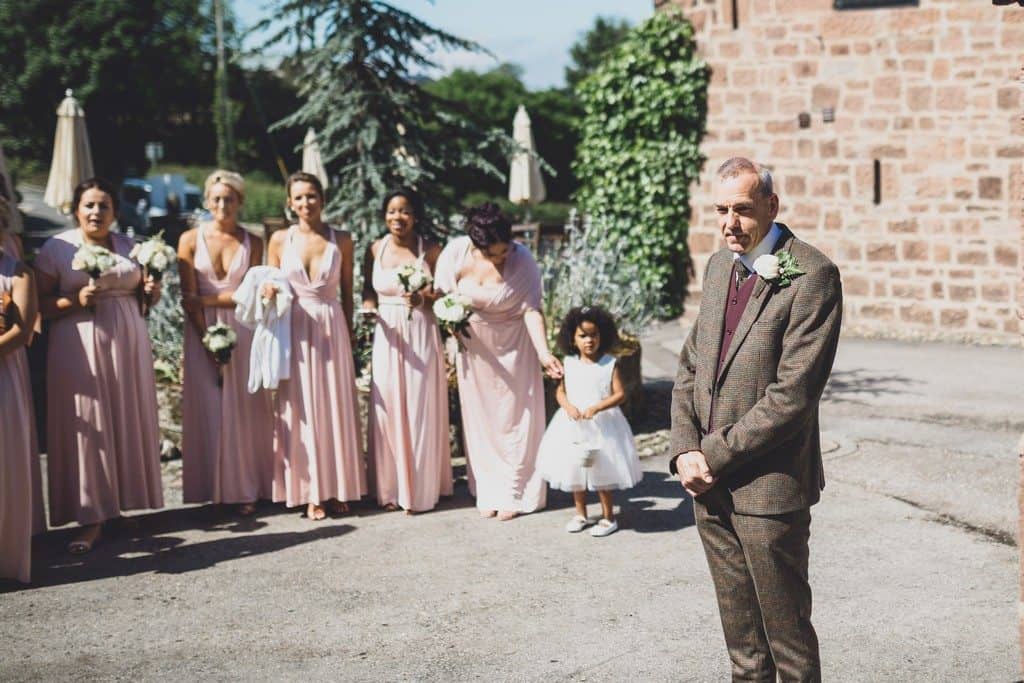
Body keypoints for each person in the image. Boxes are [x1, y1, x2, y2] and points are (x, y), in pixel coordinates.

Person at [670, 157, 842, 681]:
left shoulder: (812, 274)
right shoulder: (720, 267)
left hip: (770, 491)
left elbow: (792, 397)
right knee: (743, 649)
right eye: (721, 209)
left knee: (787, 646)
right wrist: (683, 450)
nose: (730, 222)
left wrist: (712, 452)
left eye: (742, 209)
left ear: (772, 205)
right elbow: (691, 367)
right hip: (707, 488)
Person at [34, 178, 164, 554]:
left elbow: (141, 296)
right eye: (89, 205)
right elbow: (38, 307)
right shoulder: (57, 248)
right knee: (89, 422)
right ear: (76, 209)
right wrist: (74, 299)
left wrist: (149, 295)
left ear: (115, 212)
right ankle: (90, 516)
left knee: (124, 417)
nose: (96, 212)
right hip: (78, 344)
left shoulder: (128, 246)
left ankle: (119, 507)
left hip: (127, 342)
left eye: (104, 206)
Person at [434, 202, 563, 521]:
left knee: (516, 419)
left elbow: (532, 309)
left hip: (514, 348)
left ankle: (518, 491)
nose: (502, 257)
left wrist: (544, 353)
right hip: (474, 352)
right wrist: (450, 323)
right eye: (494, 253)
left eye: (505, 250)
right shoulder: (456, 253)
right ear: (477, 245)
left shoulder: (524, 259)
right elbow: (441, 297)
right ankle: (490, 489)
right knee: (482, 422)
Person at [265, 172, 364, 521]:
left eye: (311, 196)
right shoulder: (279, 239)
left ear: (323, 199)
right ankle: (310, 491)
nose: (305, 203)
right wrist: (269, 293)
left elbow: (349, 291)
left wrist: (349, 330)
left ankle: (338, 487)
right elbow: (268, 283)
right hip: (293, 327)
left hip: (331, 324)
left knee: (335, 405)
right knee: (301, 407)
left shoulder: (343, 239)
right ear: (289, 203)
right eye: (299, 198)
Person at [177, 170, 274, 516]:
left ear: (240, 202)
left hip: (245, 329)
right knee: (209, 407)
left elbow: (256, 295)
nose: (222, 205)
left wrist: (208, 300)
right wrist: (207, 340)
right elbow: (188, 299)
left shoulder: (254, 242)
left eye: (229, 199)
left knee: (246, 409)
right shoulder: (189, 240)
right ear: (206, 202)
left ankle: (248, 486)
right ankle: (213, 489)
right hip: (201, 330)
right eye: (216, 198)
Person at [361, 188, 451, 513]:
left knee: (418, 405)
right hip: (387, 335)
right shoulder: (374, 248)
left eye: (405, 211)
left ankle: (422, 488)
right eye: (392, 211)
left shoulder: (433, 251)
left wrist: (423, 298)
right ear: (384, 215)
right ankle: (390, 489)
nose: (397, 217)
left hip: (421, 332)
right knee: (388, 408)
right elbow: (368, 292)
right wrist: (369, 309)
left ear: (415, 215)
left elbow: (444, 295)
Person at [536, 306, 641, 537]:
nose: (589, 340)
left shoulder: (608, 363)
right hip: (573, 425)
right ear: (573, 339)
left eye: (594, 335)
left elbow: (620, 394)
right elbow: (560, 392)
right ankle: (581, 513)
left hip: (603, 426)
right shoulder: (569, 363)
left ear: (602, 335)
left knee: (603, 471)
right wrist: (568, 407)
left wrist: (597, 406)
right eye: (583, 335)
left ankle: (608, 516)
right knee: (576, 471)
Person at [0, 196, 43, 583]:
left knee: (4, 463)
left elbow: (22, 329)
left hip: (4, 376)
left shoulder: (18, 272)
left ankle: (7, 559)